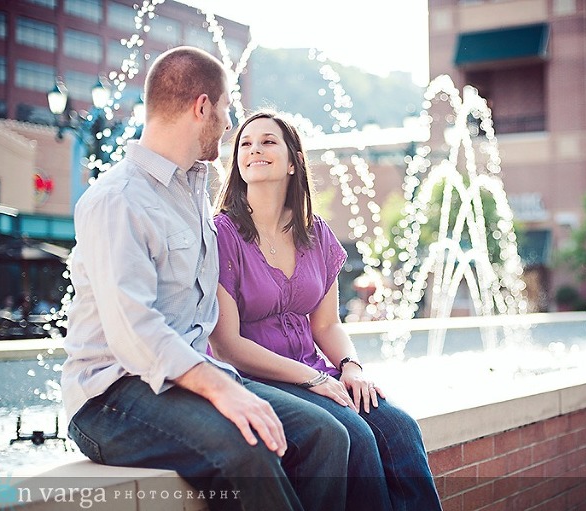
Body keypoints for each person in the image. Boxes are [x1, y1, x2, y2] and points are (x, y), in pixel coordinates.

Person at [61, 47, 349, 511]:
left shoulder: (191, 190)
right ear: (202, 107)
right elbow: (134, 331)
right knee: (248, 444)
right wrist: (224, 390)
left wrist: (227, 384)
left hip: (188, 380)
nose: (230, 123)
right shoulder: (117, 199)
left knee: (325, 434)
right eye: (227, 108)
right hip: (112, 398)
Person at [210, 110, 443, 511]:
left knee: (399, 427)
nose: (254, 150)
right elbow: (227, 345)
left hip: (315, 373)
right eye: (245, 144)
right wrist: (312, 378)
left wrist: (351, 367)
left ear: (293, 160)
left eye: (268, 142)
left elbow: (328, 324)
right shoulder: (220, 234)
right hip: (257, 378)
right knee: (354, 432)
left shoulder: (315, 232)